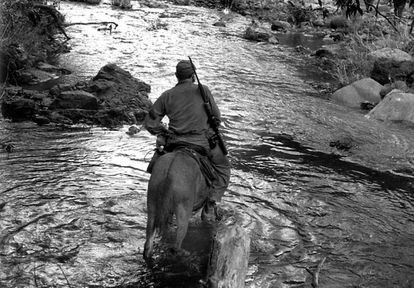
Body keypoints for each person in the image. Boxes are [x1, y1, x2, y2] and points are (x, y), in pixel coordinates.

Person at [144, 60, 230, 220]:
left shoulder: (167, 95)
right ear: (193, 76)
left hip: (174, 142)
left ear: (176, 76)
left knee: (158, 161)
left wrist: (164, 132)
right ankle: (210, 205)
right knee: (223, 167)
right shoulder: (203, 91)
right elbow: (217, 118)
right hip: (201, 142)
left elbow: (149, 123)